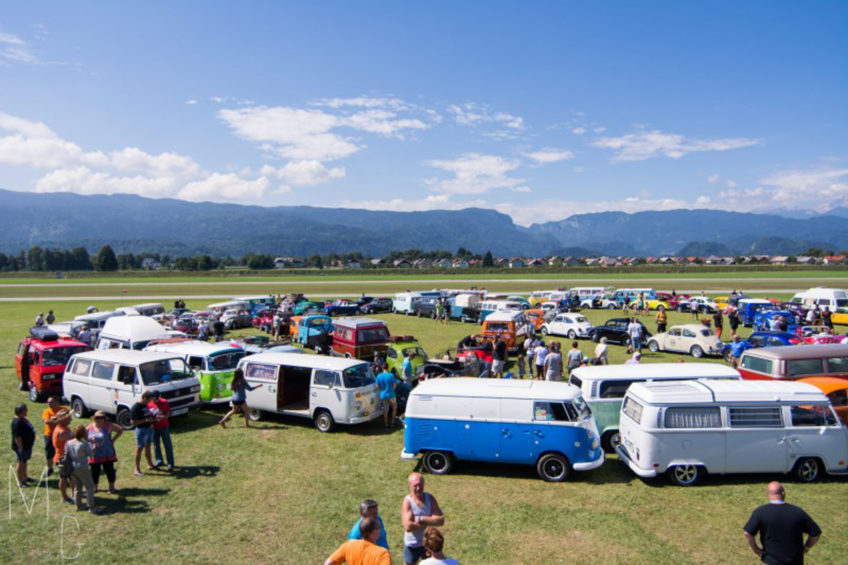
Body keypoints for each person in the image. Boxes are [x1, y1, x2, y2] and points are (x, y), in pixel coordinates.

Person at [743, 481, 821, 565]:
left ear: (768, 494)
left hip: (771, 561)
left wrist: (756, 549)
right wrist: (806, 547)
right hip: (795, 561)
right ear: (783, 493)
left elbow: (748, 533)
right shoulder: (797, 512)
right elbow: (815, 533)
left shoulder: (760, 512)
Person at [402, 473, 445, 565]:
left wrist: (421, 519)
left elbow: (441, 520)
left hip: (428, 544)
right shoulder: (408, 502)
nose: (418, 488)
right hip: (412, 544)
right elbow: (408, 527)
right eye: (415, 486)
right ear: (409, 485)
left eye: (420, 485)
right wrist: (431, 520)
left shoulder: (430, 498)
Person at [65, 424, 101, 514]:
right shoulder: (83, 444)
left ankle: (79, 505)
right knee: (89, 487)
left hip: (72, 466)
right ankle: (92, 508)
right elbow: (91, 454)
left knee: (77, 487)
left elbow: (67, 453)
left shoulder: (69, 443)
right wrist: (94, 445)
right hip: (82, 466)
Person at [325, 516, 390, 565]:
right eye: (379, 528)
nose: (380, 530)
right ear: (372, 533)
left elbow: (328, 563)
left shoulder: (349, 545)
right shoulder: (382, 554)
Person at [87, 411, 122, 494]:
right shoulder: (90, 427)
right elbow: (84, 437)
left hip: (107, 452)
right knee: (95, 471)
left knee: (109, 470)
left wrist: (113, 440)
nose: (99, 419)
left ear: (104, 418)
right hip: (95, 453)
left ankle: (111, 487)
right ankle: (95, 487)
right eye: (97, 418)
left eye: (101, 417)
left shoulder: (108, 425)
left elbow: (120, 430)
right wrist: (90, 443)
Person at [42, 396, 70, 475]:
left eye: (51, 402)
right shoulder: (47, 411)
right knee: (49, 452)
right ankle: (50, 468)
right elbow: (46, 421)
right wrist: (58, 419)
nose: (49, 404)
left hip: (61, 434)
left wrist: (55, 419)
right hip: (49, 435)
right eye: (48, 402)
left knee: (62, 451)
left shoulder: (63, 409)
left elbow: (68, 415)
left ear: (57, 402)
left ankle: (62, 466)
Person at [131, 391, 157, 476]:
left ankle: (150, 464)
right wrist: (146, 420)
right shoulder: (136, 407)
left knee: (148, 446)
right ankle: (137, 469)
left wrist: (153, 418)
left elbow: (147, 415)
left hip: (149, 428)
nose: (150, 402)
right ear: (144, 398)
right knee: (139, 449)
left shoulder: (145, 405)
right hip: (141, 430)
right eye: (149, 400)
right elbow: (133, 422)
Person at [11, 403, 36, 488]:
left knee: (24, 462)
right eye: (25, 410)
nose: (27, 411)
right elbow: (17, 437)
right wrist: (21, 448)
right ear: (20, 411)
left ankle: (25, 477)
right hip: (21, 447)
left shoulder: (22, 419)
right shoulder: (17, 422)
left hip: (26, 446)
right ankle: (20, 482)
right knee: (20, 463)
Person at [148, 391, 174, 470]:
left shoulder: (164, 402)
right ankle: (159, 460)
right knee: (156, 445)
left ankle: (170, 463)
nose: (154, 400)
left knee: (167, 445)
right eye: (153, 399)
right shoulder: (149, 404)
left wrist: (162, 417)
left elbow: (167, 414)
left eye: (156, 399)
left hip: (164, 427)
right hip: (154, 427)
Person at [52, 410, 74, 504]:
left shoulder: (64, 428)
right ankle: (64, 497)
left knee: (71, 476)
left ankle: (74, 493)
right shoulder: (62, 432)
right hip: (62, 458)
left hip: (66, 456)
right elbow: (74, 440)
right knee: (64, 477)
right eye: (69, 418)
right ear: (63, 420)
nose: (71, 419)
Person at [376, 364, 398, 429]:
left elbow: (377, 386)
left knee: (385, 410)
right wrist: (392, 390)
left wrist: (382, 390)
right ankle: (392, 423)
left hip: (383, 395)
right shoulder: (391, 375)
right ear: (388, 368)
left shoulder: (379, 376)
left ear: (382, 368)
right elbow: (395, 385)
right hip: (391, 395)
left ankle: (386, 424)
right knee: (394, 408)